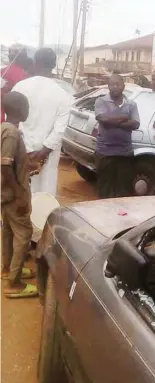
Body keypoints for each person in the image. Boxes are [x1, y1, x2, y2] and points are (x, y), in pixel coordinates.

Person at [12, 48, 73, 197]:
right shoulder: (62, 95)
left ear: (35, 62)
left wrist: (27, 149)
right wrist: (42, 153)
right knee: (44, 194)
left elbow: (12, 120)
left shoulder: (20, 87)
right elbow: (60, 130)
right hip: (48, 156)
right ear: (53, 65)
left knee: (20, 191)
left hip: (21, 150)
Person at [1, 92, 38, 298]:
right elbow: (5, 165)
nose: (28, 111)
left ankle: (7, 269)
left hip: (5, 194)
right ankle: (13, 284)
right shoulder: (12, 133)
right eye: (27, 107)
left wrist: (27, 168)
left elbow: (11, 164)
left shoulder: (5, 129)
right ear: (19, 110)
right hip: (13, 196)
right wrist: (19, 195)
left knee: (8, 232)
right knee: (24, 235)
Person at [94, 74, 140, 198]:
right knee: (104, 190)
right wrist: (125, 118)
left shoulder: (131, 104)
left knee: (123, 191)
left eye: (117, 84)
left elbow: (135, 124)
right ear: (108, 86)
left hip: (125, 154)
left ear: (123, 86)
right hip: (105, 153)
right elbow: (103, 119)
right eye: (112, 84)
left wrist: (112, 121)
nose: (115, 87)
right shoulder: (101, 101)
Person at [1, 45, 32, 123]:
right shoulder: (26, 77)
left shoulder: (2, 73)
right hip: (15, 120)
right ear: (24, 59)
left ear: (9, 57)